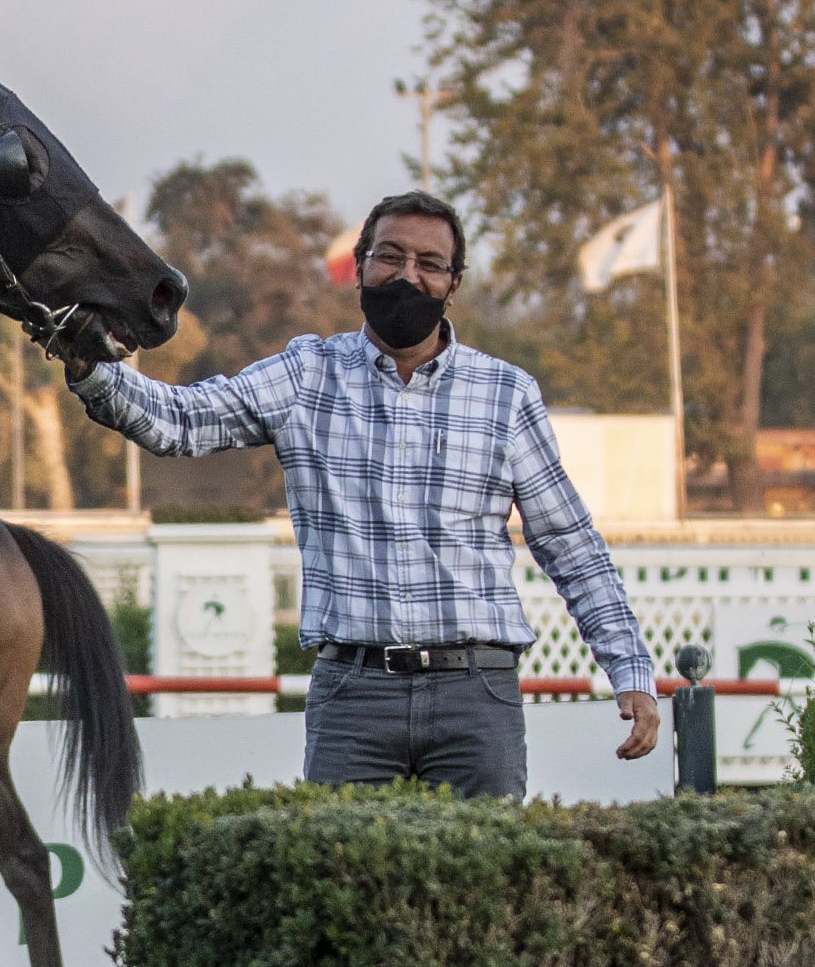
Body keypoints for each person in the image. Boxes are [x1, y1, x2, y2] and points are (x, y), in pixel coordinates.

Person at [65, 190, 659, 798]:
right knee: (343, 859)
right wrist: (89, 364)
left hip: (475, 696)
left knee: (480, 863)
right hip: (354, 696)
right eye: (390, 256)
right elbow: (181, 420)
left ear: (453, 284)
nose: (407, 276)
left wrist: (631, 670)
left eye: (430, 264)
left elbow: (569, 543)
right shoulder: (307, 376)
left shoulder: (505, 394)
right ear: (360, 266)